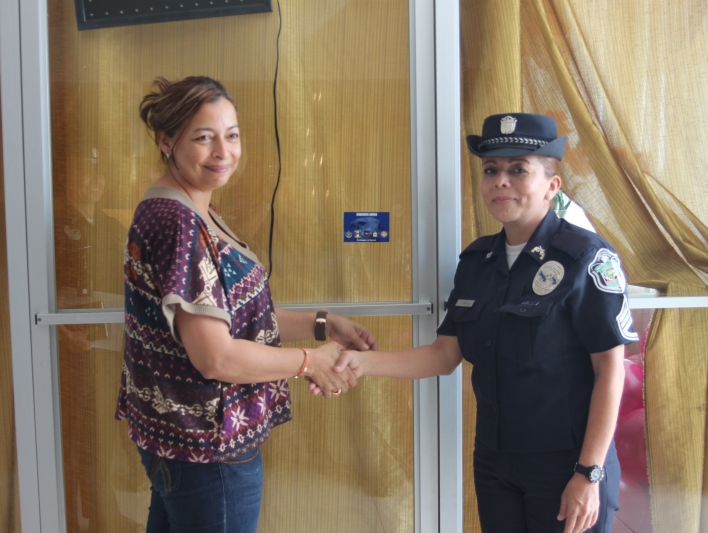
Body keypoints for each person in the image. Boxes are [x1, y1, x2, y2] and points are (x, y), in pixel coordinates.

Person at [333, 113, 638, 533]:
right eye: (491, 170)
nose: (500, 182)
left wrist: (589, 474)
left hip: (567, 461)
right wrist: (360, 362)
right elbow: (444, 355)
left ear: (552, 186)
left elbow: (610, 370)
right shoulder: (478, 261)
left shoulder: (584, 257)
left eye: (518, 170)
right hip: (495, 461)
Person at [114, 76, 377, 533]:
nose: (224, 151)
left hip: (182, 443)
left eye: (232, 135)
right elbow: (215, 356)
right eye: (204, 137)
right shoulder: (180, 224)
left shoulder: (192, 210)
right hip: (207, 452)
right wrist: (310, 362)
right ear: (166, 141)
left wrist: (323, 322)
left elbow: (230, 318)